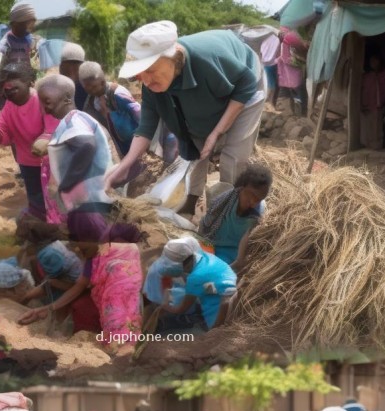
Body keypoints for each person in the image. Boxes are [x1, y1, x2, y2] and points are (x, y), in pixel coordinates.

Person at [106, 20, 266, 217]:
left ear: (172, 57)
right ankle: (190, 202)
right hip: (215, 89)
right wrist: (123, 166)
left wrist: (217, 132)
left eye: (150, 70)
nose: (146, 80)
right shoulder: (154, 84)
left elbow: (246, 83)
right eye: (140, 74)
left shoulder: (207, 58)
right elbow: (146, 128)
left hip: (246, 87)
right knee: (196, 147)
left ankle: (229, 212)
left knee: (232, 158)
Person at [19, 212, 143, 346]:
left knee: (110, 330)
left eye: (81, 246)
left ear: (94, 238)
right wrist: (48, 308)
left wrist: (117, 341)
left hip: (122, 309)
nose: (76, 250)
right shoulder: (94, 255)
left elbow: (119, 311)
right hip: (106, 302)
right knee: (80, 308)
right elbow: (79, 286)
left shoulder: (117, 267)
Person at [0, 62, 57, 218]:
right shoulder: (9, 107)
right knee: (36, 200)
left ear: (30, 83)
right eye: (7, 89)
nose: (10, 91)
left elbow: (52, 128)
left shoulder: (41, 101)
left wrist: (45, 139)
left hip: (49, 163)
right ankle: (41, 229)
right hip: (26, 162)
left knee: (53, 200)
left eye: (15, 88)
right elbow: (2, 135)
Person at [36, 74, 113, 214]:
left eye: (47, 102)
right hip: (91, 198)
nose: (45, 109)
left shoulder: (73, 120)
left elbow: (87, 145)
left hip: (91, 200)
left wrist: (66, 184)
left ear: (66, 98)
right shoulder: (76, 118)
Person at [198, 163, 272, 270]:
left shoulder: (256, 213)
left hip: (232, 252)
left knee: (210, 270)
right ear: (241, 188)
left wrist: (237, 263)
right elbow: (206, 224)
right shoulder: (225, 201)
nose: (253, 202)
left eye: (258, 200)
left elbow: (246, 239)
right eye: (250, 196)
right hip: (211, 242)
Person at [159, 236, 237, 330]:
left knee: (176, 296)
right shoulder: (206, 257)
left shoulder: (195, 278)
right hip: (230, 296)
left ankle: (196, 318)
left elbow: (181, 308)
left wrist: (165, 306)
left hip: (220, 313)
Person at [79, 61, 141, 158]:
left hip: (135, 139)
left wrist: (145, 136)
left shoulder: (117, 93)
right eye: (88, 89)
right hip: (118, 142)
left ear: (102, 82)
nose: (91, 91)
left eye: (94, 87)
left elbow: (137, 113)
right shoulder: (91, 102)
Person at [277, 27, 308, 117]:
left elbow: (284, 58)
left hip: (291, 74)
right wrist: (299, 61)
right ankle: (301, 113)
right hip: (293, 73)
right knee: (299, 92)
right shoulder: (286, 43)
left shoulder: (288, 43)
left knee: (297, 92)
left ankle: (299, 112)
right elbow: (285, 58)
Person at [360, 54, 385, 151]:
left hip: (380, 104)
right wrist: (363, 104)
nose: (374, 63)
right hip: (369, 105)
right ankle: (369, 145)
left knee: (378, 125)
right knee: (369, 126)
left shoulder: (383, 75)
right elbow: (363, 91)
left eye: (376, 61)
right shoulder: (367, 76)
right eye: (372, 61)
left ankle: (377, 145)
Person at [59, 42, 87, 111]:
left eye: (76, 70)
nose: (72, 77)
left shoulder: (90, 88)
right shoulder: (57, 89)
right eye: (66, 71)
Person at [260, 32, 280, 107]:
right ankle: (271, 103)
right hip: (274, 63)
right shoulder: (277, 40)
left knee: (270, 83)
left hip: (266, 64)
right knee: (273, 83)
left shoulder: (264, 39)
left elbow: (261, 52)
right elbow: (278, 52)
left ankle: (269, 103)